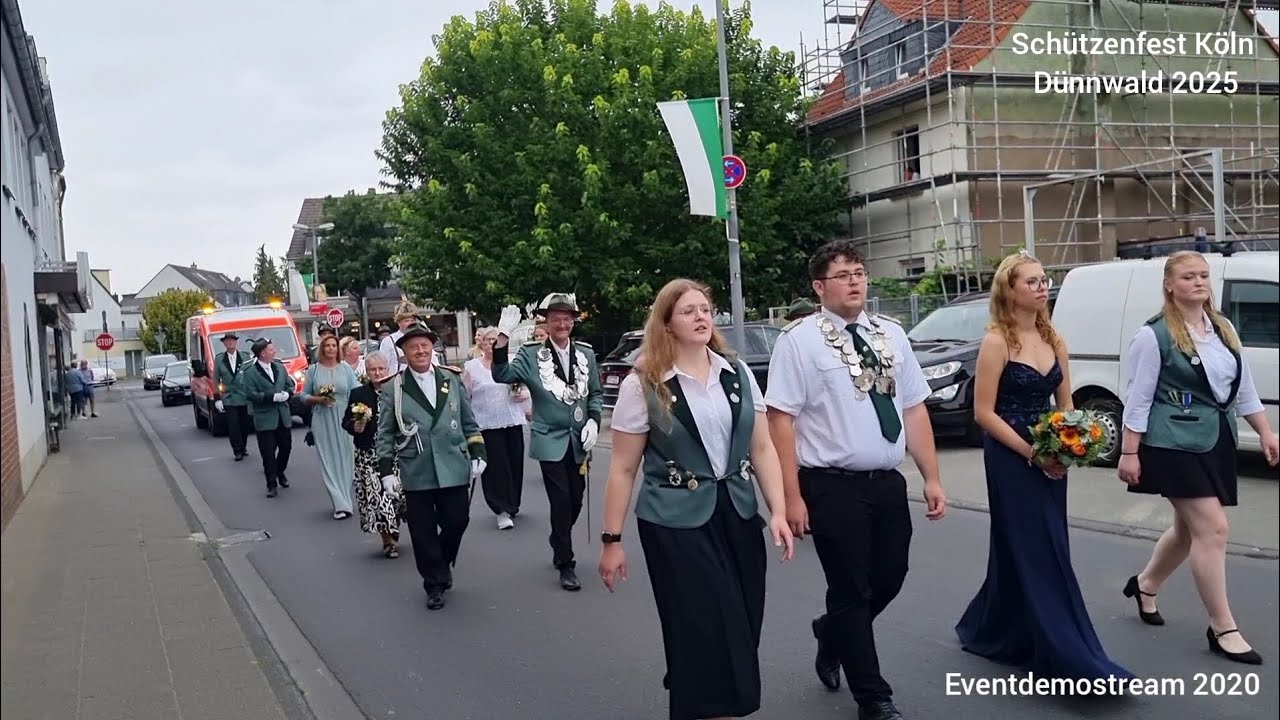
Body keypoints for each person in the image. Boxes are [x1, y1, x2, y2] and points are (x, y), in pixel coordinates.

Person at [765, 240, 946, 720]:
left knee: (891, 575)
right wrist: (791, 497)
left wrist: (932, 476)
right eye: (843, 274)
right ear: (819, 286)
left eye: (860, 272)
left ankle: (831, 632)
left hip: (886, 481)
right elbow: (780, 420)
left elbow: (912, 407)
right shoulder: (799, 341)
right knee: (850, 587)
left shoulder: (891, 334)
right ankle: (873, 697)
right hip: (830, 482)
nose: (854, 281)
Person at [599, 279, 795, 720]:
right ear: (666, 323)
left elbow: (761, 448)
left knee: (743, 617)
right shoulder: (644, 384)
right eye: (688, 311)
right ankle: (706, 706)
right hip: (674, 520)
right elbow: (624, 468)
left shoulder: (737, 372)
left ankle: (694, 684)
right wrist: (612, 539)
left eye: (705, 309)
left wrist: (778, 510)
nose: (701, 317)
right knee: (709, 620)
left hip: (737, 512)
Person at [954, 251, 1134, 683]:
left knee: (1040, 543)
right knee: (1035, 546)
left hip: (1052, 452)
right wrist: (1032, 453)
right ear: (1009, 291)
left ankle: (994, 627)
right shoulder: (997, 341)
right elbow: (983, 413)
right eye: (1031, 281)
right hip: (1012, 455)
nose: (1042, 286)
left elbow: (1066, 406)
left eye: (1043, 279)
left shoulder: (1055, 339)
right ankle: (1066, 652)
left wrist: (1071, 447)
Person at [1118, 250, 1277, 665]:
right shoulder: (1153, 336)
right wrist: (1129, 452)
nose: (1199, 282)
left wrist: (1265, 431)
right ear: (1170, 284)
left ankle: (1146, 582)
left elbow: (1243, 389)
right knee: (1214, 529)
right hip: (1170, 443)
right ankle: (1222, 626)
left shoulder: (1222, 328)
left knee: (1188, 532)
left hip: (1214, 439)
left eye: (1203, 275)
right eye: (1188, 276)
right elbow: (1137, 398)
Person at [493, 293, 604, 591]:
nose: (562, 324)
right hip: (549, 438)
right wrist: (503, 337)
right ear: (546, 321)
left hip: (579, 438)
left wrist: (594, 420)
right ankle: (566, 562)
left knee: (576, 500)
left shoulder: (586, 354)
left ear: (573, 322)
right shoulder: (531, 355)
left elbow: (595, 392)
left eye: (567, 319)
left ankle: (559, 537)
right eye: (556, 319)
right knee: (560, 500)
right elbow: (502, 373)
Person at [376, 321, 487, 610]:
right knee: (422, 532)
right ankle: (434, 584)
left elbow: (467, 420)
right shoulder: (394, 388)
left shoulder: (451, 379)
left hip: (453, 463)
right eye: (414, 347)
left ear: (433, 348)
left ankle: (441, 561)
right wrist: (386, 471)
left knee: (458, 520)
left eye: (425, 345)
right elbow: (385, 432)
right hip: (417, 468)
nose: (421, 350)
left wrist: (478, 452)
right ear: (404, 353)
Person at [463, 327, 531, 530]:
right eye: (488, 340)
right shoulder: (473, 367)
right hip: (487, 423)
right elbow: (465, 396)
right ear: (481, 344)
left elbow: (526, 385)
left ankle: (512, 503)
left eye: (496, 339)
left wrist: (524, 396)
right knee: (496, 468)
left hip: (512, 419)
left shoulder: (510, 363)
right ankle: (500, 509)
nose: (493, 343)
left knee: (514, 464)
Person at [343, 350, 404, 557]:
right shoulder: (359, 394)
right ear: (366, 372)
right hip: (368, 455)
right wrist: (356, 425)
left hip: (396, 453)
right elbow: (346, 422)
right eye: (372, 370)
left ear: (388, 369)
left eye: (381, 369)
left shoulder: (398, 391)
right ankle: (388, 541)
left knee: (397, 497)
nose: (377, 373)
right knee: (378, 499)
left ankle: (394, 529)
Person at [302, 334, 359, 519]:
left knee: (347, 459)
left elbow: (355, 391)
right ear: (322, 349)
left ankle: (345, 497)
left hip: (344, 418)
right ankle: (340, 504)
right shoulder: (313, 371)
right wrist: (318, 399)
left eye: (334, 345)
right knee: (329, 461)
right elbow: (303, 396)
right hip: (322, 418)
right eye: (327, 346)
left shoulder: (346, 369)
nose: (331, 349)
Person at [241, 339, 295, 498]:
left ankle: (280, 471)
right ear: (262, 353)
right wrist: (271, 397)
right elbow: (250, 394)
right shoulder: (250, 372)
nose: (274, 352)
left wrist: (288, 393)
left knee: (286, 448)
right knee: (268, 453)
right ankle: (271, 484)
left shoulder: (279, 367)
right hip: (265, 419)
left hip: (282, 416)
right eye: (271, 350)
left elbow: (290, 384)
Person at [214, 332, 252, 461]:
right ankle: (237, 450)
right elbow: (215, 379)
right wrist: (217, 398)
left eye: (232, 340)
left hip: (243, 396)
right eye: (227, 341)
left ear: (236, 343)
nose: (230, 343)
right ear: (224, 344)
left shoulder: (245, 357)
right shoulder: (219, 359)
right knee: (233, 424)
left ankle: (244, 446)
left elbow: (251, 376)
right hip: (229, 396)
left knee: (244, 424)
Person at [379, 301, 420, 376]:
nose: (410, 323)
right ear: (398, 322)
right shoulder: (389, 341)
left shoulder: (420, 338)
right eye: (406, 321)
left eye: (412, 320)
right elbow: (383, 365)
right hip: (397, 381)